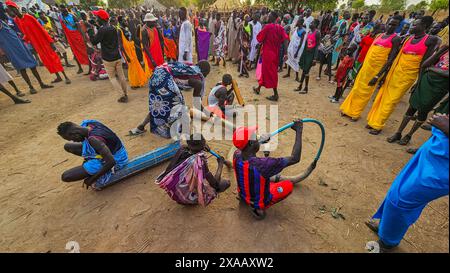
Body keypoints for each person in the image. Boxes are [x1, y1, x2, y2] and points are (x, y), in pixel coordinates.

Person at [365, 113, 449, 252]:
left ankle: (387, 243)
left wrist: (446, 126)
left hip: (440, 169)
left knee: (403, 201)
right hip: (436, 152)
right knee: (397, 191)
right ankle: (385, 228)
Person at [366, 16, 439, 135]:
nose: (412, 26)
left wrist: (418, 82)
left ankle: (378, 125)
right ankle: (372, 121)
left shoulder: (429, 40)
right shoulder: (407, 39)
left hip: (407, 77)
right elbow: (395, 57)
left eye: (415, 25)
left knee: (391, 101)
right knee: (382, 97)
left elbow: (424, 64)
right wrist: (385, 74)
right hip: (394, 73)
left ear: (424, 26)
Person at [232, 120, 303, 219]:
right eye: (255, 137)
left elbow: (247, 149)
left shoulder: (236, 154)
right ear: (251, 144)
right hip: (259, 201)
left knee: (251, 178)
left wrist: (260, 141)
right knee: (288, 185)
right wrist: (299, 131)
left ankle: (243, 197)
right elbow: (295, 158)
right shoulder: (264, 164)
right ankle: (258, 209)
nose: (257, 138)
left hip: (243, 193)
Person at [340, 16, 402, 121]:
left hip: (376, 70)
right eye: (390, 23)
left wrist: (379, 75)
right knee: (356, 88)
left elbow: (390, 59)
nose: (391, 26)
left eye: (394, 25)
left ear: (397, 26)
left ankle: (355, 113)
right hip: (366, 67)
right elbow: (370, 52)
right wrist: (361, 66)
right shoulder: (379, 35)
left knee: (365, 92)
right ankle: (347, 110)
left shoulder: (396, 39)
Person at [129, 61, 210, 138]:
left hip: (156, 75)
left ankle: (140, 127)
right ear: (205, 73)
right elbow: (197, 105)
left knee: (158, 105)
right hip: (165, 80)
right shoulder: (198, 80)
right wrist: (208, 114)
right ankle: (174, 130)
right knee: (178, 105)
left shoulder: (188, 67)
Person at [387, 45, 449, 145]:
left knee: (423, 111)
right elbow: (425, 65)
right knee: (411, 107)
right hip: (425, 81)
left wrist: (432, 69)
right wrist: (441, 50)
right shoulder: (444, 49)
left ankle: (409, 135)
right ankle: (398, 133)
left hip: (439, 88)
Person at [5, 1, 71, 84]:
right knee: (46, 61)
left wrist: (50, 42)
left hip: (44, 41)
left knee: (53, 58)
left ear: (16, 9)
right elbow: (26, 34)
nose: (10, 14)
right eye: (8, 12)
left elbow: (41, 29)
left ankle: (65, 76)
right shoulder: (17, 21)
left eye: (10, 11)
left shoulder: (29, 17)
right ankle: (58, 76)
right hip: (36, 44)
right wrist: (23, 39)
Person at [156, 134, 230, 206]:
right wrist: (220, 165)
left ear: (188, 143)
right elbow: (215, 183)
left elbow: (169, 169)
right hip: (189, 198)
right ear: (204, 144)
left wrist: (202, 148)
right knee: (225, 183)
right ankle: (195, 198)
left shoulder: (182, 148)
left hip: (176, 195)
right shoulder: (199, 162)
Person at [58, 120, 129, 190]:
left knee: (66, 176)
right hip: (108, 150)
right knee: (68, 146)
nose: (73, 141)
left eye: (71, 139)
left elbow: (111, 162)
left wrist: (92, 179)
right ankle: (93, 160)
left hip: (117, 157)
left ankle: (96, 165)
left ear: (75, 133)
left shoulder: (94, 140)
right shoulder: (90, 123)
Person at [0, 19, 53, 94]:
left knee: (32, 65)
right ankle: (31, 87)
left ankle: (41, 83)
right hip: (12, 49)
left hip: (20, 45)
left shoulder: (5, 21)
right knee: (22, 68)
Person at [91, 9, 128, 103]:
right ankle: (125, 94)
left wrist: (93, 30)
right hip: (117, 56)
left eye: (96, 17)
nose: (96, 19)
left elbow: (94, 41)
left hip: (108, 58)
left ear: (100, 19)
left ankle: (122, 95)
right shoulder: (113, 28)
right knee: (122, 76)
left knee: (112, 78)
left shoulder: (101, 30)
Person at [252, 11, 289, 102]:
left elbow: (259, 38)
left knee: (271, 73)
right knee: (267, 72)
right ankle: (258, 88)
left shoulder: (268, 27)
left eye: (269, 16)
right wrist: (285, 53)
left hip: (268, 54)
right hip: (275, 54)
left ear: (273, 17)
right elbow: (285, 40)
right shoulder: (280, 28)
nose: (267, 17)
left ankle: (275, 94)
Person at [118, 16, 147, 89]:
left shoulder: (126, 29)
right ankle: (133, 83)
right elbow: (121, 45)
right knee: (131, 67)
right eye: (125, 21)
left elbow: (131, 41)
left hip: (132, 50)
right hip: (127, 51)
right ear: (120, 21)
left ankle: (137, 82)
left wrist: (139, 48)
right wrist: (126, 56)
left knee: (136, 65)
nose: (126, 22)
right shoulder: (119, 30)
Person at [59, 5, 88, 74]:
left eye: (65, 10)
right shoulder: (61, 18)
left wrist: (83, 37)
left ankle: (90, 66)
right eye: (63, 11)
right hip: (70, 37)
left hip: (77, 36)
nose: (65, 12)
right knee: (74, 52)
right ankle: (80, 68)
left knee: (84, 51)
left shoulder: (72, 16)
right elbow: (63, 29)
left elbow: (79, 26)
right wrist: (65, 38)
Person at [296, 19, 320, 94]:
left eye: (312, 23)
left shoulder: (317, 33)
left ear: (315, 24)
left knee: (306, 71)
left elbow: (317, 46)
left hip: (311, 54)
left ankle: (306, 88)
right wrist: (303, 54)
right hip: (306, 53)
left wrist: (315, 58)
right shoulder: (309, 32)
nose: (310, 24)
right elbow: (306, 43)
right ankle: (300, 86)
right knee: (304, 70)